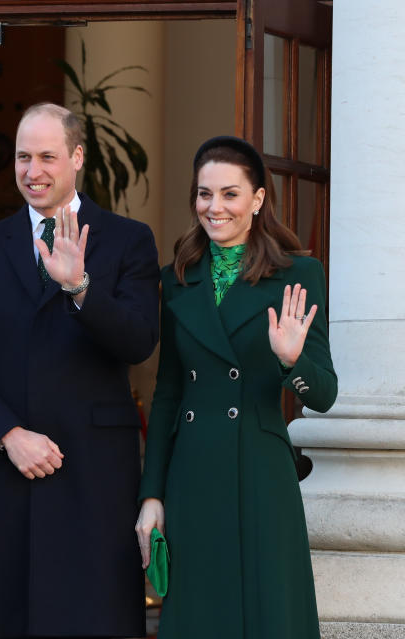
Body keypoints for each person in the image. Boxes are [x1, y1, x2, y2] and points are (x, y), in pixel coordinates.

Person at [0, 102, 160, 639]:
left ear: (77, 157)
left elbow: (139, 342)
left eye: (46, 156)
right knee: (7, 616)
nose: (32, 171)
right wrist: (6, 434)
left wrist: (81, 288)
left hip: (95, 474)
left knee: (97, 617)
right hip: (8, 472)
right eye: (21, 157)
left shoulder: (128, 239)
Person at [135, 136, 337, 639]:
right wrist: (152, 493)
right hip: (193, 472)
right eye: (204, 194)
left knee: (269, 614)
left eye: (229, 194)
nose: (214, 207)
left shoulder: (299, 275)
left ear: (258, 199)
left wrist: (292, 358)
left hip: (261, 472)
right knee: (200, 614)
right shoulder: (177, 278)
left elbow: (325, 394)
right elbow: (166, 396)